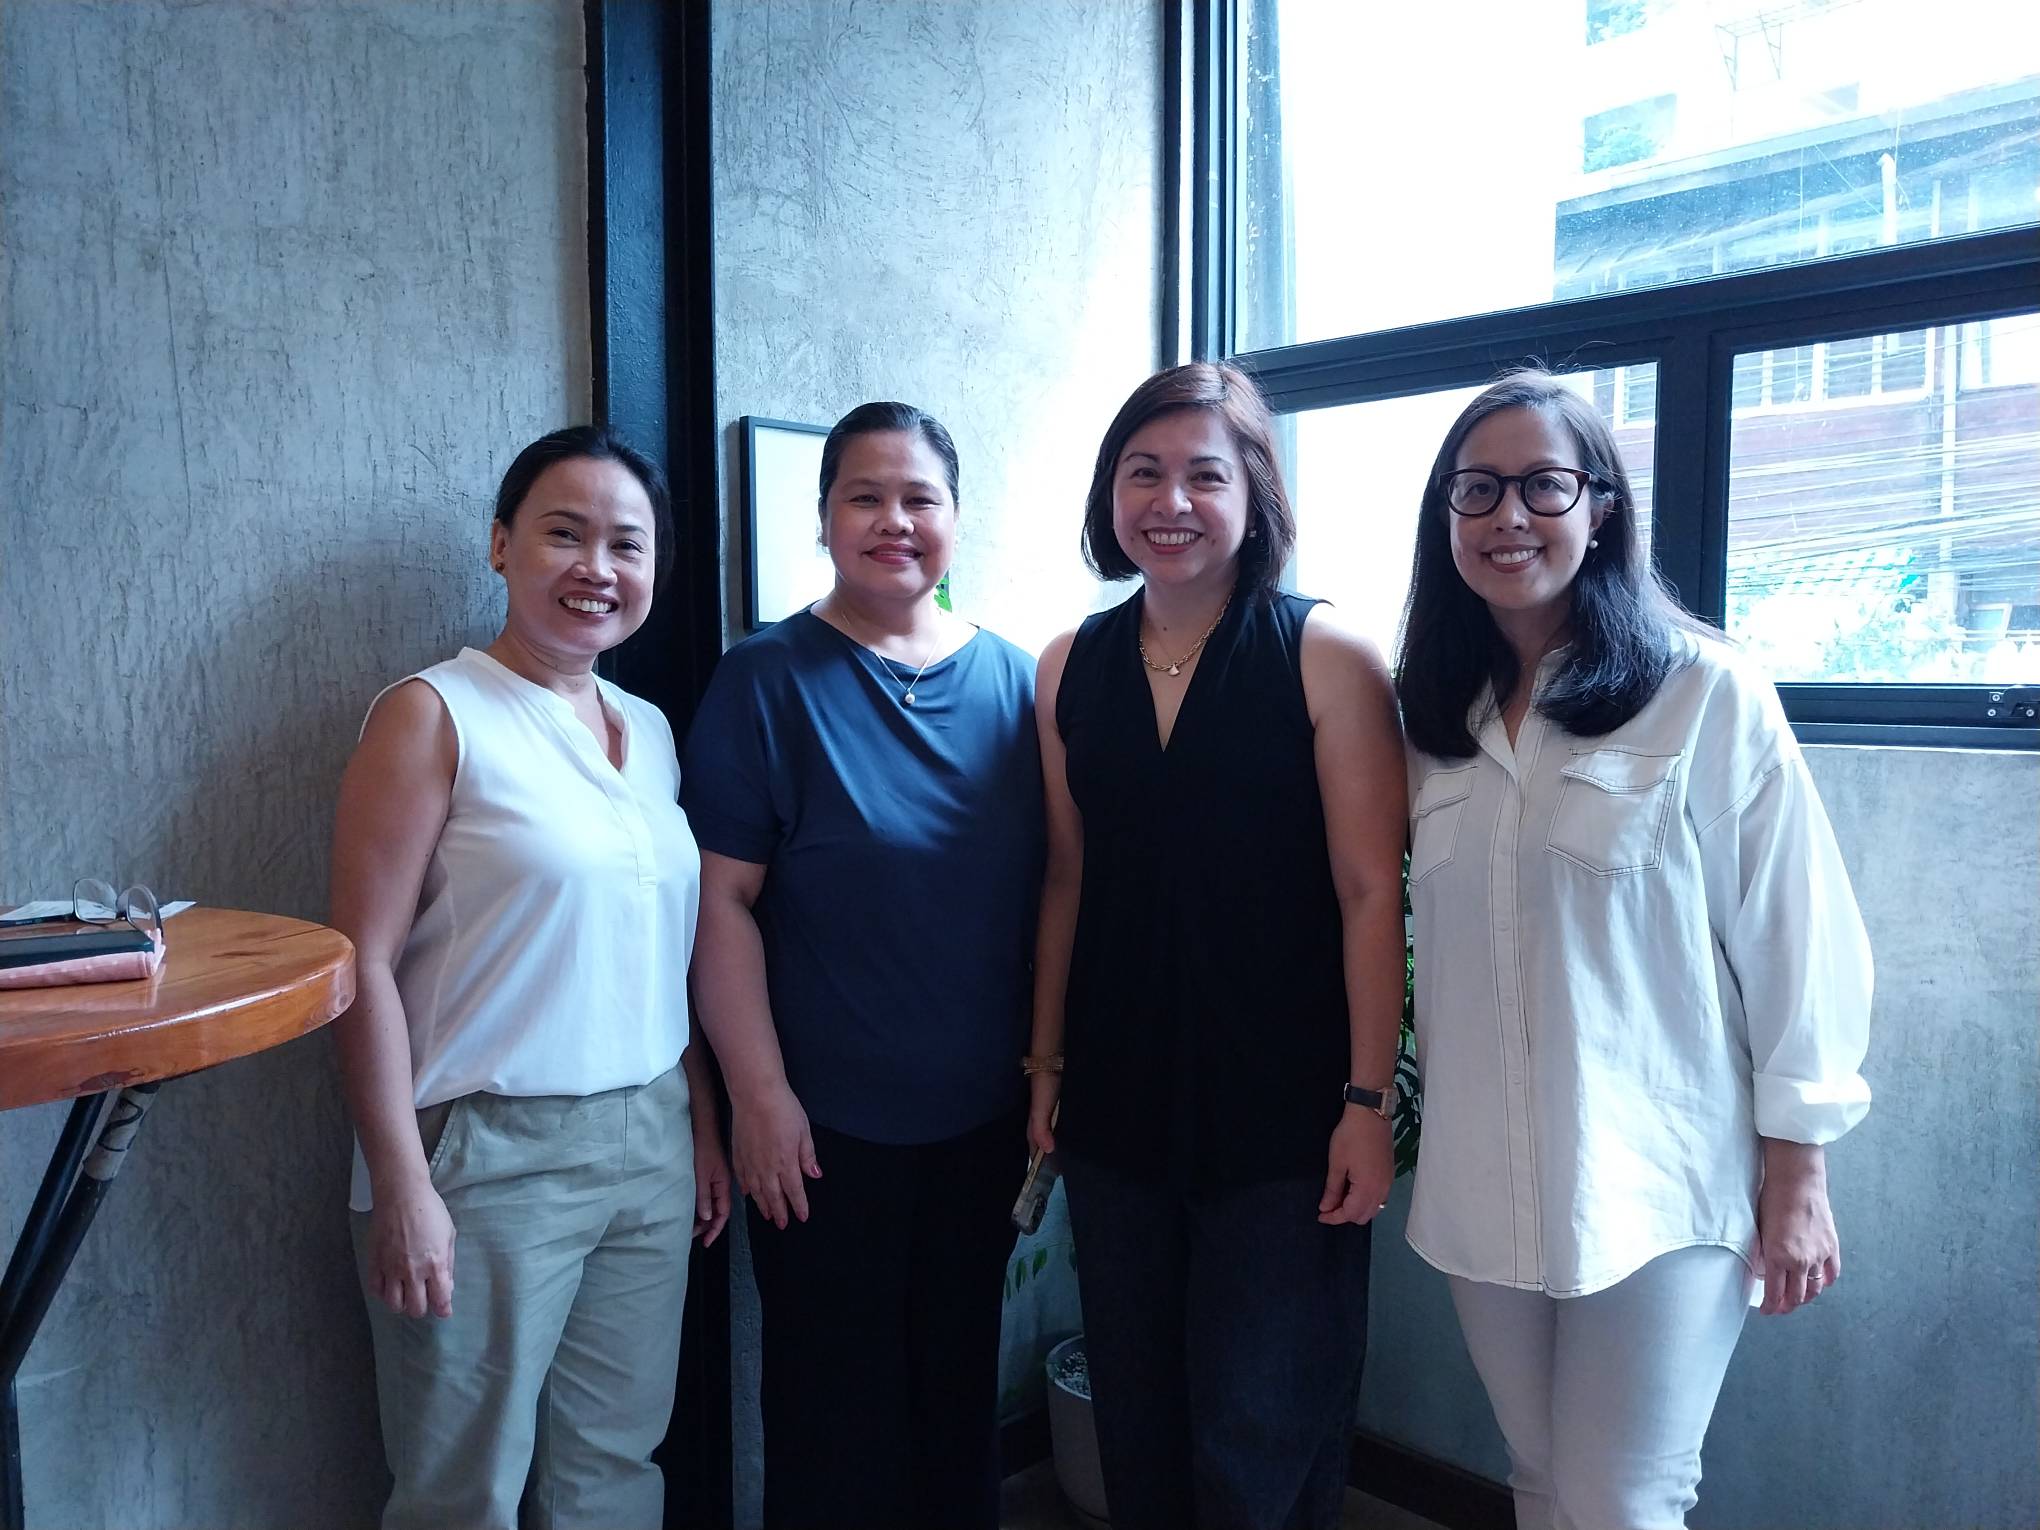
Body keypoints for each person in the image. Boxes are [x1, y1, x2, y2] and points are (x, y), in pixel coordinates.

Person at [1397, 369, 1873, 1530]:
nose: (1508, 515)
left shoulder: (1702, 689)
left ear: (1601, 506)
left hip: (1657, 1179)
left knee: (1621, 1498)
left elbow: (1796, 933)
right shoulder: (1431, 718)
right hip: (1483, 1178)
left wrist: (1799, 1173)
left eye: (1543, 485)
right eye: (1477, 489)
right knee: (1540, 1478)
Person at [1026, 362, 1408, 1530]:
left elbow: (1370, 894)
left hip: (1285, 1113)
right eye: (1143, 473)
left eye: (1206, 475)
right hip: (1117, 1102)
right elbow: (1068, 876)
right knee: (1137, 1419)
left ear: (1256, 495)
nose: (1172, 502)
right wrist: (1044, 1068)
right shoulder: (1068, 664)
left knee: (1260, 1433)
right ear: (1110, 493)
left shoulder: (1326, 653)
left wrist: (1366, 1102)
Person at [329, 425, 731, 1530]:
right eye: (565, 533)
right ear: (502, 544)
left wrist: (697, 1123)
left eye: (627, 544)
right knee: (461, 1491)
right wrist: (401, 1184)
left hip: (649, 1142)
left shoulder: (650, 731)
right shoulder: (434, 712)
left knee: (614, 1469)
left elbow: (658, 954)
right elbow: (358, 961)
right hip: (485, 1154)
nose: (597, 567)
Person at [681, 401, 1043, 1530]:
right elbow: (720, 903)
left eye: (919, 498)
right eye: (865, 497)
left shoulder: (1021, 683)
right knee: (830, 1421)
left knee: (956, 1405)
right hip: (819, 1133)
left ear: (956, 519)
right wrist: (759, 1096)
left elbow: (1056, 897)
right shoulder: (764, 679)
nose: (895, 520)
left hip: (981, 1125)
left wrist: (1047, 1077)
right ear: (825, 517)